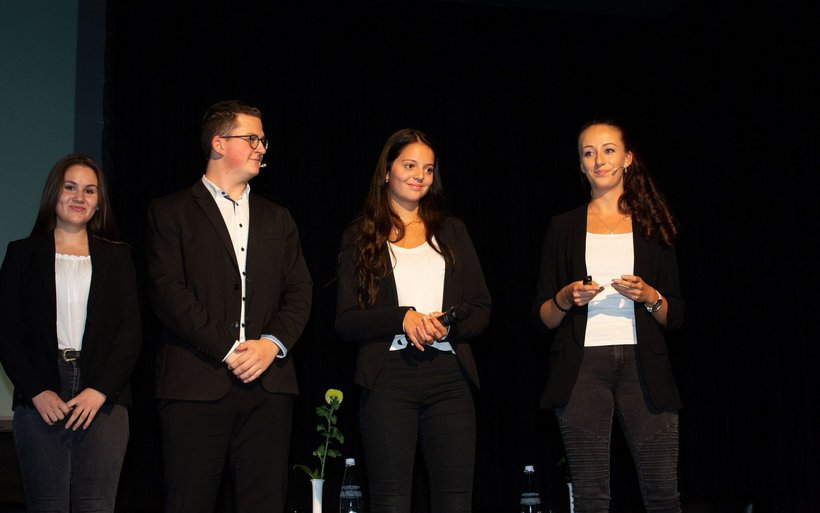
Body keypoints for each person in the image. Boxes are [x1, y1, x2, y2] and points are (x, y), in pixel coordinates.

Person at [145, 100, 312, 513]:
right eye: (251, 138)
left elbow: (300, 291)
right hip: (195, 386)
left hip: (268, 387)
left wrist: (270, 344)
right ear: (218, 143)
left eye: (263, 140)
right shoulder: (170, 211)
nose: (261, 147)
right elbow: (168, 292)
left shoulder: (278, 218)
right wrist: (228, 348)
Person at [335, 128, 491, 513]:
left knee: (456, 500)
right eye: (409, 166)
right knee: (390, 500)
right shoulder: (359, 235)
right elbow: (346, 321)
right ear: (386, 171)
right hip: (387, 378)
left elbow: (481, 307)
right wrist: (401, 318)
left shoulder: (452, 231)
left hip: (450, 378)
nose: (420, 176)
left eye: (428, 169)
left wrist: (449, 325)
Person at [532, 120, 684, 513]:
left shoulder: (652, 225)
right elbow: (543, 317)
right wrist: (565, 297)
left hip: (644, 366)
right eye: (589, 153)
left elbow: (674, 315)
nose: (599, 160)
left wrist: (649, 296)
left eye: (609, 150)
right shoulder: (563, 227)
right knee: (590, 497)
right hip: (582, 368)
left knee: (663, 494)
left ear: (628, 158)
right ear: (581, 165)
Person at [0, 154, 142, 513]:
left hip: (103, 396)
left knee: (97, 505)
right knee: (47, 505)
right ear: (54, 194)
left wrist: (100, 391)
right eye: (70, 187)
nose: (79, 197)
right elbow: (6, 331)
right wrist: (36, 390)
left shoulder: (118, 257)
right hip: (42, 393)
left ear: (99, 202)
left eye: (90, 190)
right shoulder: (21, 254)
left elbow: (130, 332)